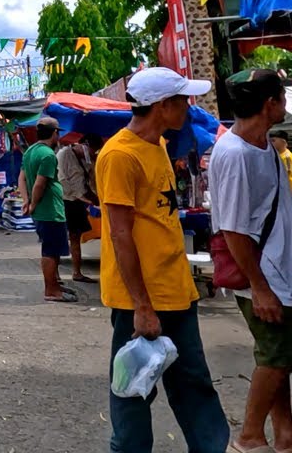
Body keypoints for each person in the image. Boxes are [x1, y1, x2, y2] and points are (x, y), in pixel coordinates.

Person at [96, 67, 228, 452]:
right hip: (140, 299)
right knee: (133, 391)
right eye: (183, 100)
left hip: (176, 289)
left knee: (194, 386)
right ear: (161, 106)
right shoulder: (119, 156)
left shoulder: (158, 146)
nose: (189, 107)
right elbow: (120, 234)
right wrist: (141, 306)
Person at [211, 69, 292, 453]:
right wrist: (259, 288)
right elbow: (233, 230)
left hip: (276, 268)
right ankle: (248, 436)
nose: (286, 102)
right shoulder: (235, 154)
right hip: (261, 275)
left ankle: (284, 434)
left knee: (280, 356)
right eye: (281, 96)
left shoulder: (262, 145)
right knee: (276, 356)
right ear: (268, 104)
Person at [23, 116, 72, 302]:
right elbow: (39, 184)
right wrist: (33, 204)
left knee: (52, 249)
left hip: (43, 210)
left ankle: (54, 284)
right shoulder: (47, 155)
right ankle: (51, 290)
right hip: (49, 210)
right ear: (55, 132)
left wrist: (27, 201)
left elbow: (22, 178)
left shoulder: (30, 151)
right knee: (51, 251)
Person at [57, 134, 100, 284]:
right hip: (65, 199)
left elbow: (91, 180)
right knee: (61, 236)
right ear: (84, 145)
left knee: (76, 236)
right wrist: (82, 196)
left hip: (78, 201)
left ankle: (77, 272)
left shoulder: (86, 160)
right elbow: (62, 179)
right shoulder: (64, 154)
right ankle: (55, 273)